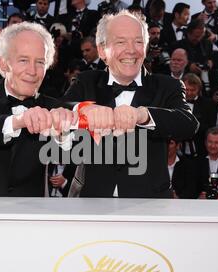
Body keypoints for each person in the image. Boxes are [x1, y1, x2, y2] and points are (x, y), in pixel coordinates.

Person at [63, 10, 199, 198]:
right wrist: (83, 110)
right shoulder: (87, 81)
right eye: (120, 42)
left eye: (138, 41)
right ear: (102, 50)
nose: (131, 49)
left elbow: (188, 123)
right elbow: (60, 110)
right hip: (94, 201)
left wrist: (144, 115)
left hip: (149, 204)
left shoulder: (168, 85)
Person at [0, 22, 75, 196]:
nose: (32, 71)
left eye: (40, 62)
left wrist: (63, 134)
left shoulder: (54, 107)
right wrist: (18, 121)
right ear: (3, 64)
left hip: (29, 214)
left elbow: (66, 157)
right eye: (23, 60)